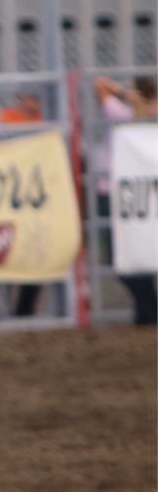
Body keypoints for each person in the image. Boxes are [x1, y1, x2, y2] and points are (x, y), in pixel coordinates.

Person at [95, 74, 157, 326]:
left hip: (124, 190)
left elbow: (100, 85)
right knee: (131, 253)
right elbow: (100, 84)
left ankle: (150, 311)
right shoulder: (125, 113)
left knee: (125, 253)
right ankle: (146, 312)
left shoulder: (122, 114)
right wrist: (129, 97)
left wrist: (125, 96)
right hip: (134, 191)